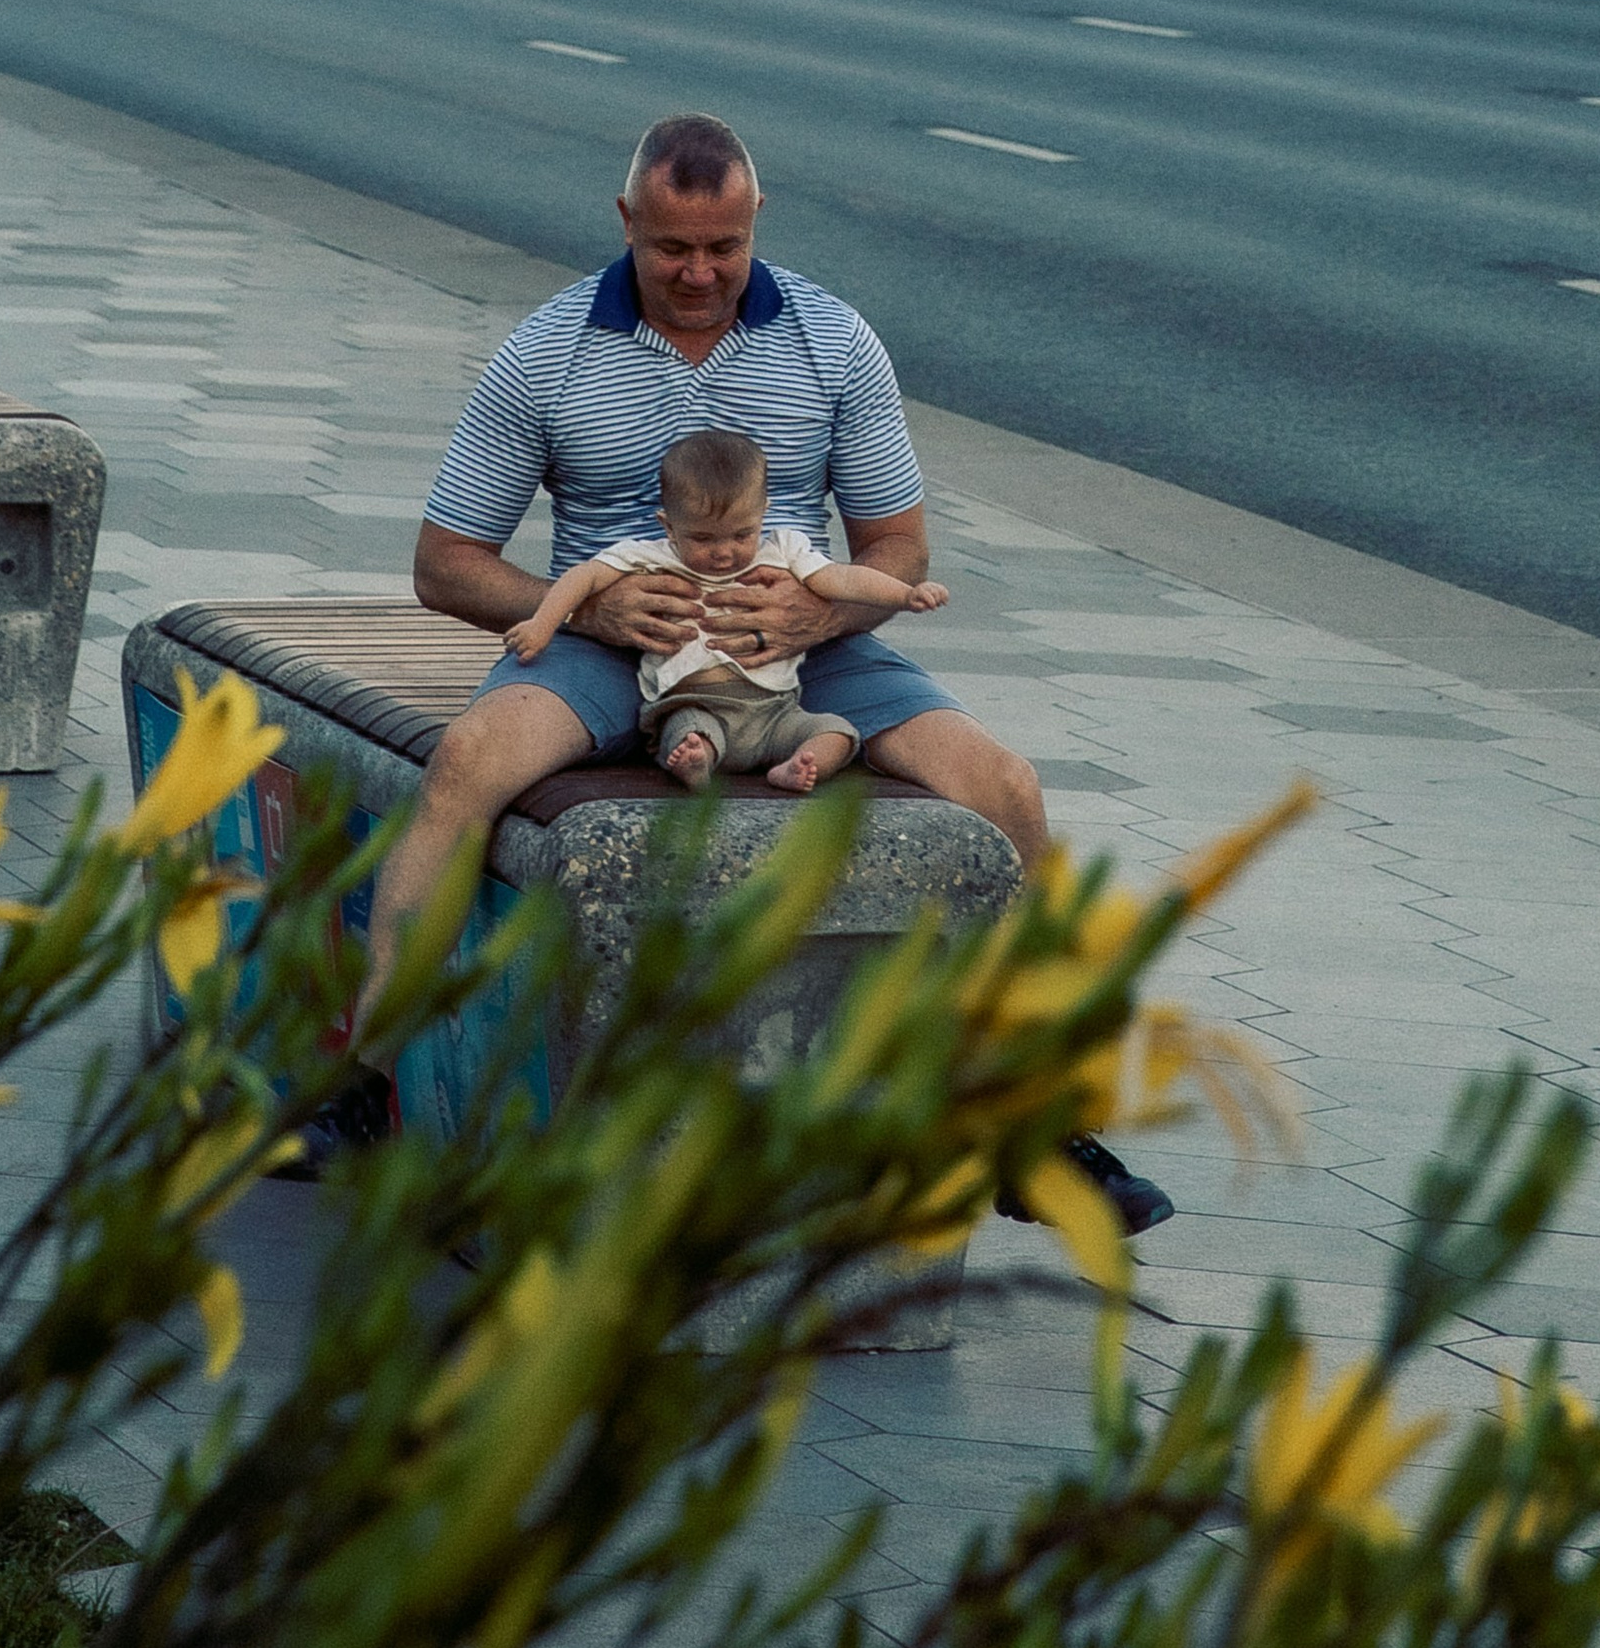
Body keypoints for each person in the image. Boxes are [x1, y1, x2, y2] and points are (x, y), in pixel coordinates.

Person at [305, 111, 1171, 1234]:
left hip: (805, 650)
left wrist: (823, 607)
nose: (699, 273)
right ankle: (364, 1087)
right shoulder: (549, 347)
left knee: (1005, 789)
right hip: (608, 648)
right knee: (467, 763)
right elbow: (445, 563)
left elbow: (900, 548)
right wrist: (589, 606)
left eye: (725, 246)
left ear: (758, 216)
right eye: (670, 247)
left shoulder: (833, 340)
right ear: (626, 220)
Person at [500, 422, 950, 795]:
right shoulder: (651, 557)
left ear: (763, 514)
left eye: (742, 534)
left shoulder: (782, 550)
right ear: (669, 526)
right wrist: (543, 624)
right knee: (688, 736)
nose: (724, 552)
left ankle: (797, 767)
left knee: (836, 731)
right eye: (703, 538)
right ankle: (697, 765)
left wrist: (903, 594)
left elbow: (843, 579)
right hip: (694, 702)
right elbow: (584, 577)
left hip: (774, 709)